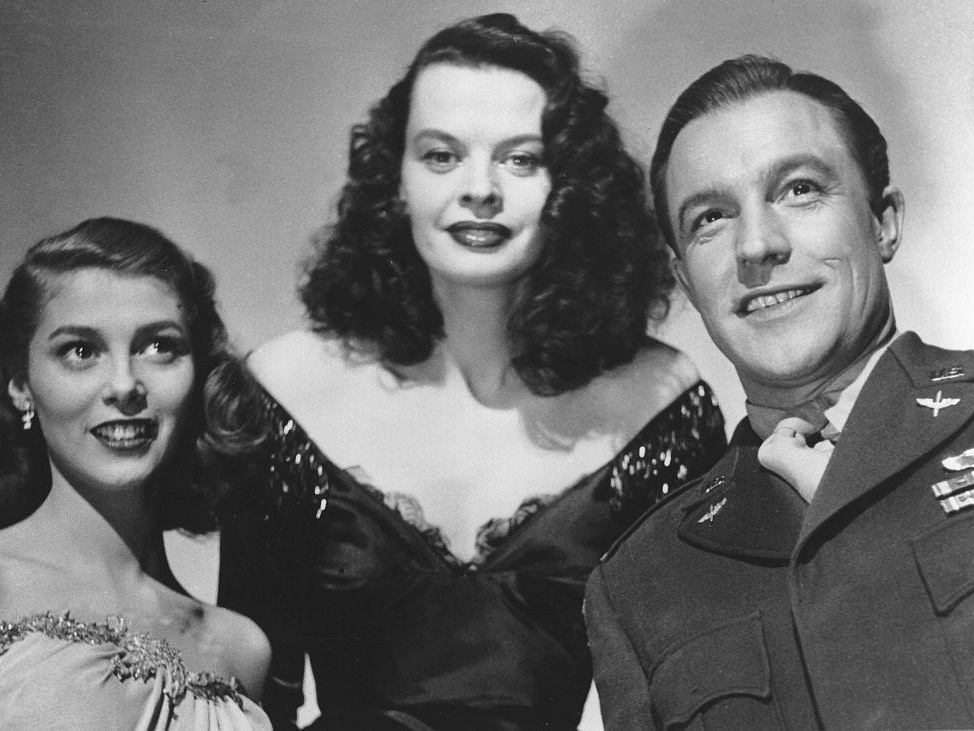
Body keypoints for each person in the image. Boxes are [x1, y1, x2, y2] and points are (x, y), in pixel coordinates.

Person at [218, 13, 727, 731]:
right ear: (395, 179)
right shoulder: (284, 386)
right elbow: (247, 695)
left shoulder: (661, 402)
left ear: (568, 185)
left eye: (520, 159)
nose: (480, 188)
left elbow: (691, 689)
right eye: (441, 155)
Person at [585, 54, 974, 729]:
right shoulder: (640, 583)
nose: (757, 245)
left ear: (883, 222)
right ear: (683, 277)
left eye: (797, 188)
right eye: (710, 217)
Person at [0, 218, 272, 729]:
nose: (125, 385)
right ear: (20, 383)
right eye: (80, 351)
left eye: (158, 347)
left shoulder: (240, 647)